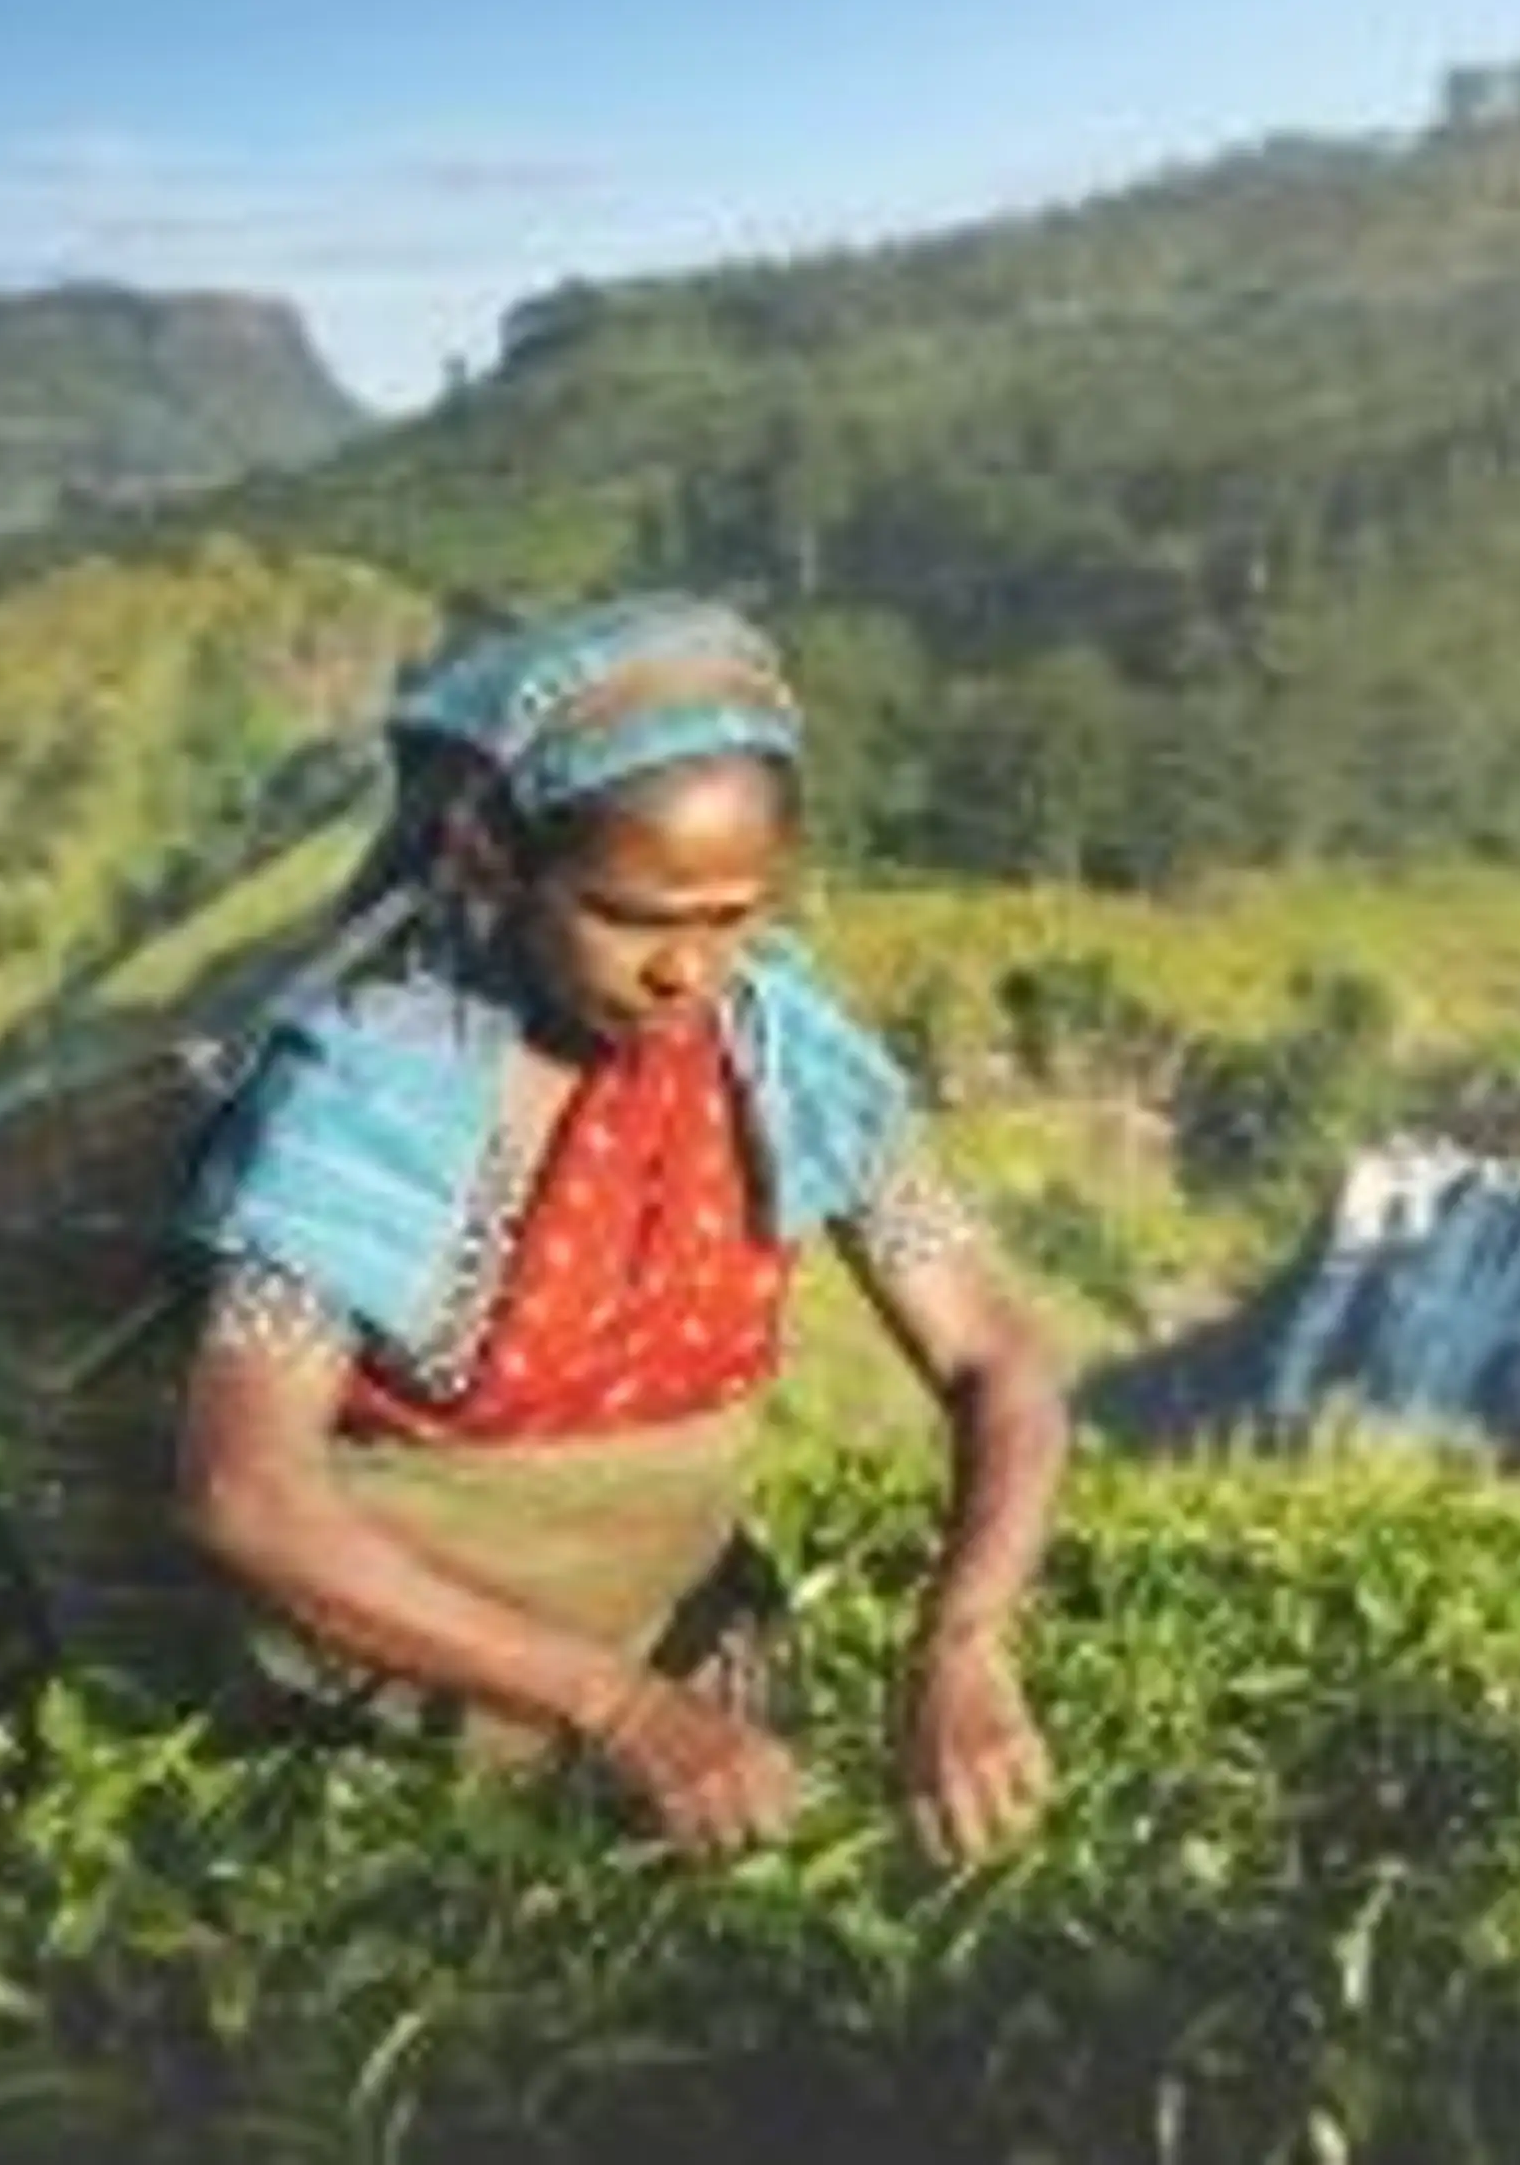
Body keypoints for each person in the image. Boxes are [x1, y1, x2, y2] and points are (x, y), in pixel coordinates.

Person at [176, 593, 1069, 1864]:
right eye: (633, 915)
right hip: (381, 1733)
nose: (686, 971)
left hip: (700, 1702)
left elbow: (998, 1360)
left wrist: (966, 1642)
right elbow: (245, 1492)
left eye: (729, 916)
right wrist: (613, 1705)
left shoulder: (780, 1049)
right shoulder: (373, 1088)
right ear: (498, 860)